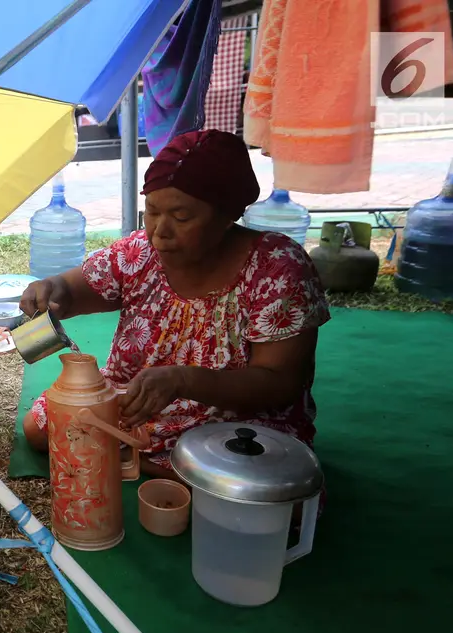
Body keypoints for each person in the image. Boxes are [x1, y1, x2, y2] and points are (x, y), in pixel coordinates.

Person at [19, 129, 330, 479]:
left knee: (251, 476)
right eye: (151, 211)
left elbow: (278, 384)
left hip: (238, 416)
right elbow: (72, 290)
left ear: (227, 215)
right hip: (139, 402)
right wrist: (51, 288)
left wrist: (184, 380)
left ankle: (145, 463)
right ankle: (155, 464)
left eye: (181, 218)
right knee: (40, 429)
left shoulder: (278, 268)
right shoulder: (139, 253)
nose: (159, 232)